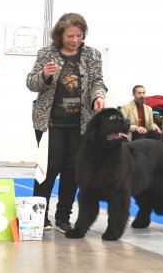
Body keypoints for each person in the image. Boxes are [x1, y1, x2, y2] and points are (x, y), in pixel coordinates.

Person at [26, 12, 106, 233]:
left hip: (80, 124)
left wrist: (98, 97)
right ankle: (39, 217)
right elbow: (31, 83)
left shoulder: (92, 55)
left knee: (73, 171)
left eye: (79, 35)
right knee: (48, 169)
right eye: (70, 36)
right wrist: (44, 75)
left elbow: (98, 81)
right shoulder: (46, 53)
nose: (75, 40)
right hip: (49, 123)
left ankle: (63, 218)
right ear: (60, 35)